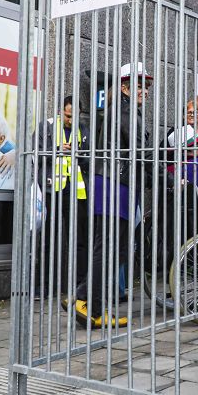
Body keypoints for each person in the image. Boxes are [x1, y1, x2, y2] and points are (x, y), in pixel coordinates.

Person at [74, 62, 152, 327]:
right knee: (110, 248)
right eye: (138, 85)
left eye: (146, 86)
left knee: (109, 247)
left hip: (110, 182)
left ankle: (82, 296)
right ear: (124, 87)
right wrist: (164, 178)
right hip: (116, 183)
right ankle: (92, 309)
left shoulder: (119, 108)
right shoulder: (126, 111)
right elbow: (142, 152)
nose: (144, 91)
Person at [33, 95, 90, 301]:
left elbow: (91, 159)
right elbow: (35, 154)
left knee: (79, 240)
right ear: (60, 112)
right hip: (52, 191)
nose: (70, 120)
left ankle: (80, 287)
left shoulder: (84, 129)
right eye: (67, 116)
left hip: (77, 192)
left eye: (74, 116)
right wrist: (58, 151)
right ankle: (43, 287)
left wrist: (79, 154)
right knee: (49, 239)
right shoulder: (46, 127)